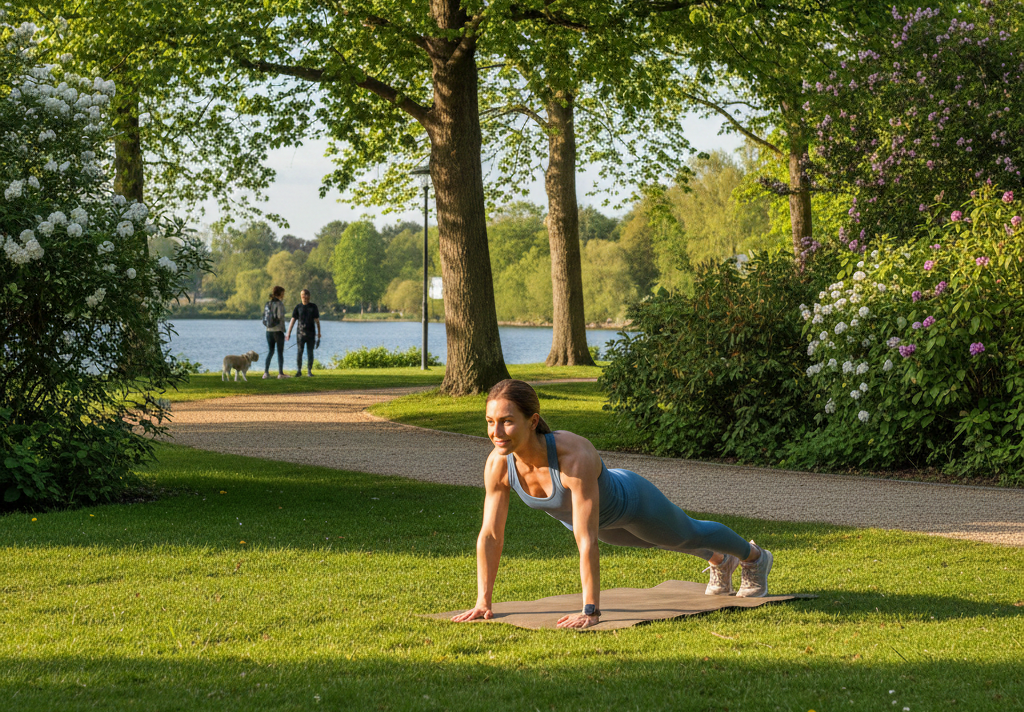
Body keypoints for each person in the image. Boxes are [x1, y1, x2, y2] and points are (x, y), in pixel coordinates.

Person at [452, 379, 773, 630]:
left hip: (632, 502)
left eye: (506, 421)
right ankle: (720, 560)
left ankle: (754, 558)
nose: (496, 432)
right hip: (605, 525)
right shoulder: (498, 464)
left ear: (532, 420)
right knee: (659, 541)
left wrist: (590, 609)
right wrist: (483, 602)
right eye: (490, 421)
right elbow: (490, 535)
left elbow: (586, 539)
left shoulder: (572, 454)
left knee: (686, 532)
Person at [286, 288, 321, 377]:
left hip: (311, 334)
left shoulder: (313, 307)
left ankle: (309, 371)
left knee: (310, 353)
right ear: (301, 297)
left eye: (306, 296)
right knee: (299, 352)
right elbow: (293, 320)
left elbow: (317, 320)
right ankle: (299, 371)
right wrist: (288, 333)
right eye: (302, 295)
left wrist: (319, 333)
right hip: (300, 334)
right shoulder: (298, 307)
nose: (304, 297)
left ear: (308, 296)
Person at [262, 286, 289, 379]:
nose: (283, 295)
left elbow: (264, 317)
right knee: (280, 352)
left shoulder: (268, 303)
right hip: (278, 331)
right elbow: (280, 316)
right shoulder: (279, 304)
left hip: (268, 331)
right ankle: (280, 373)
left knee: (270, 351)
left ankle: (265, 373)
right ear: (280, 293)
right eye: (283, 293)